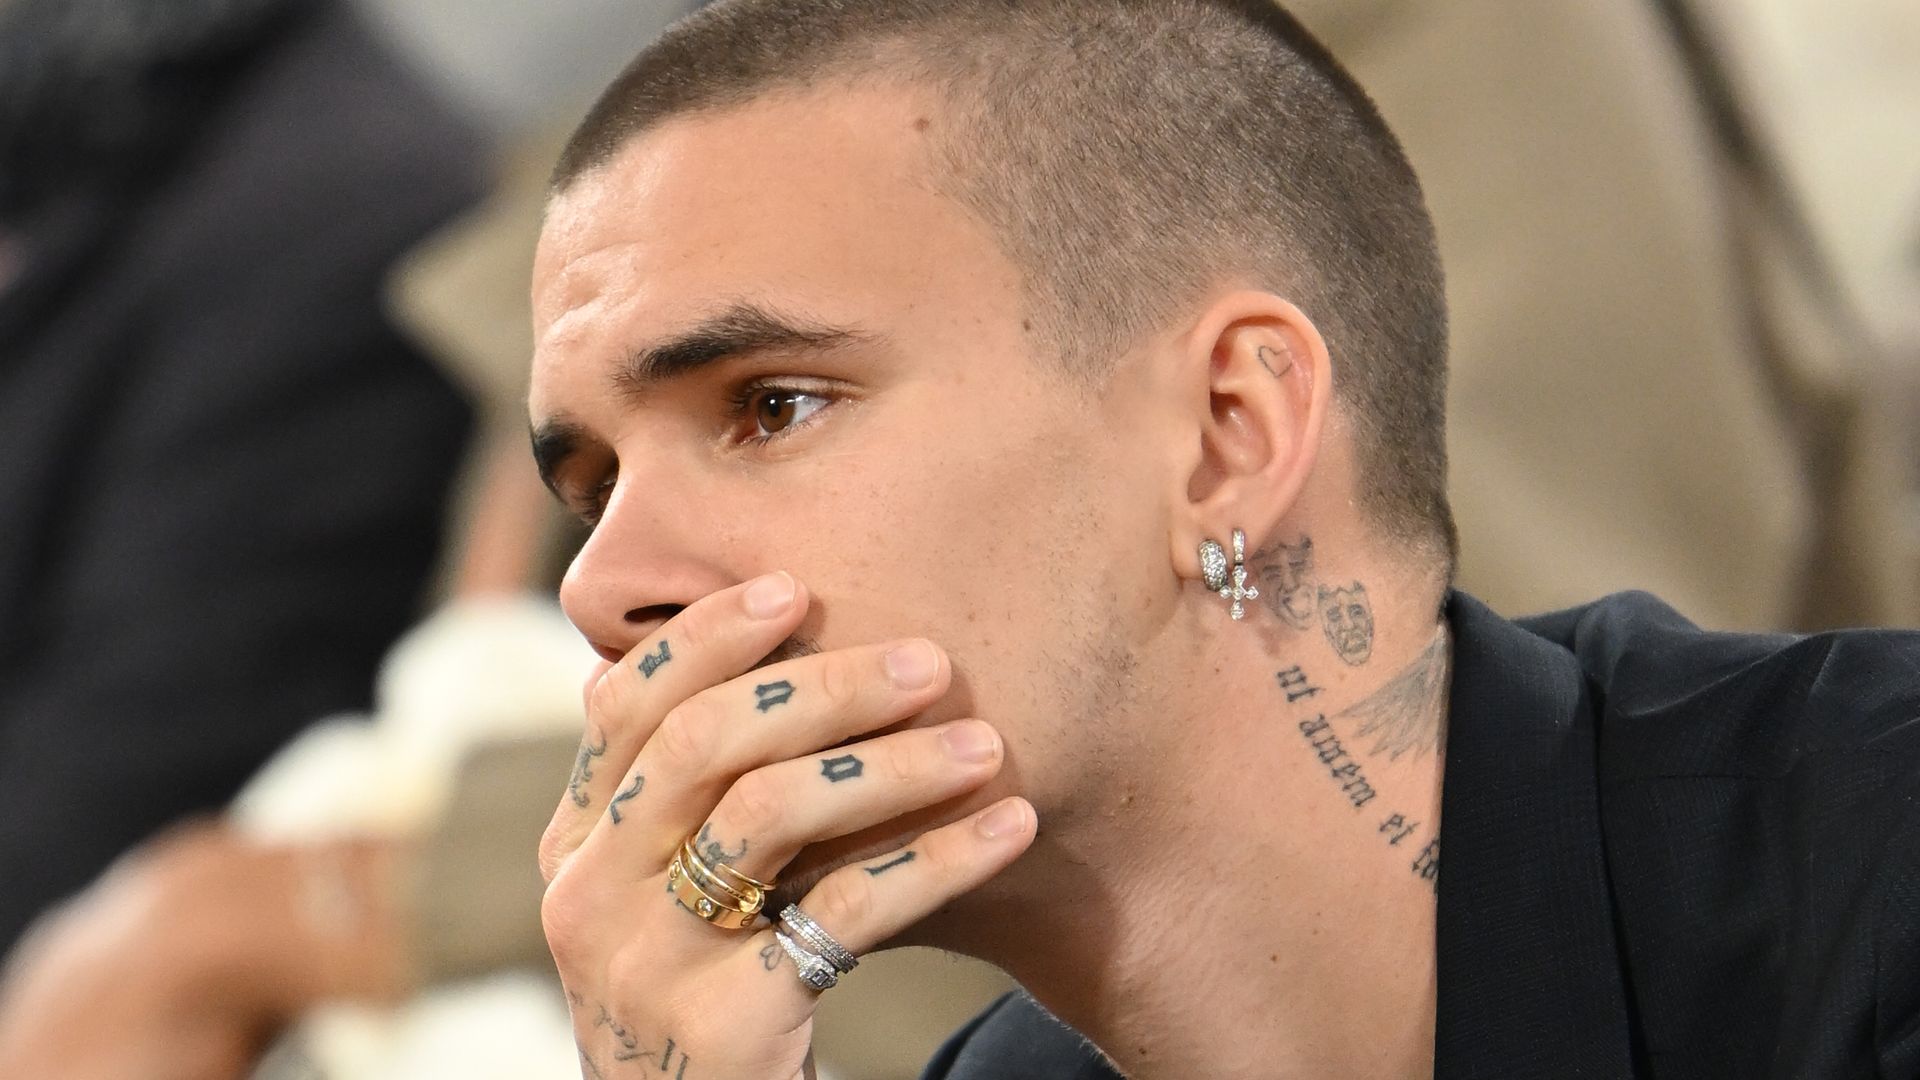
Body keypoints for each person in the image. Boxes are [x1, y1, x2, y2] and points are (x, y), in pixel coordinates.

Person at [526, 1, 1920, 1077]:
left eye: (773, 406)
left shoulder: (1877, 863)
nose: (600, 587)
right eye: (590, 487)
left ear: (1226, 435)